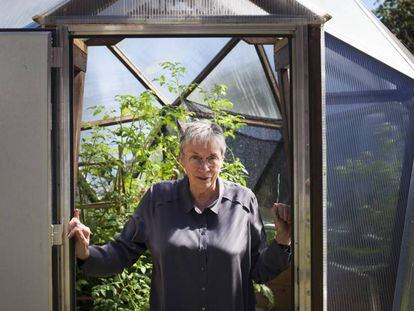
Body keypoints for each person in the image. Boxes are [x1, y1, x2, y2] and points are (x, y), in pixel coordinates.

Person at [68, 119, 291, 311]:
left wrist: (282, 241)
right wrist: (86, 254)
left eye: (212, 157)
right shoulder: (158, 200)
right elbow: (121, 252)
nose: (204, 167)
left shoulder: (243, 202)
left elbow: (258, 271)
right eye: (195, 157)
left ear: (222, 159)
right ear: (181, 159)